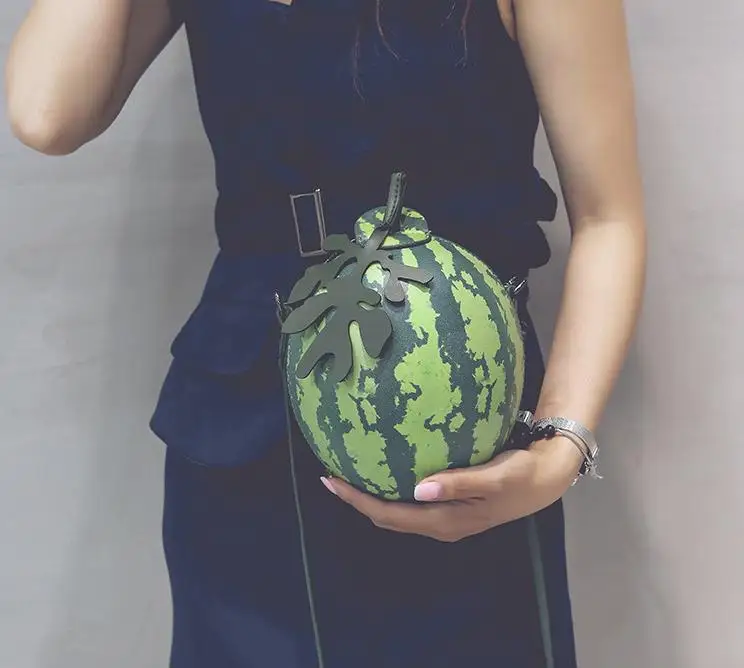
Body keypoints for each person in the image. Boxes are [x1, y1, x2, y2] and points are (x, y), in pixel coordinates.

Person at [5, 0, 646, 666]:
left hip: (449, 442)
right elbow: (45, 112)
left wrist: (559, 449)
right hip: (240, 444)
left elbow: (608, 220)